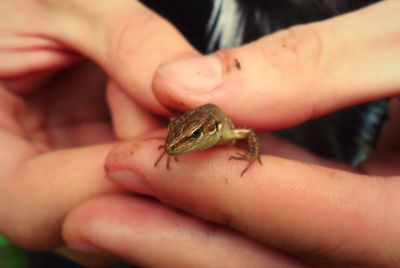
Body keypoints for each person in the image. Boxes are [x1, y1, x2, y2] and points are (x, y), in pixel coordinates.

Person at [0, 0, 399, 266]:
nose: (177, 146)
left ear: (208, 133)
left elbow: (247, 135)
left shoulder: (227, 131)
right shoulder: (183, 133)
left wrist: (250, 155)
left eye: (188, 140)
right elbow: (176, 132)